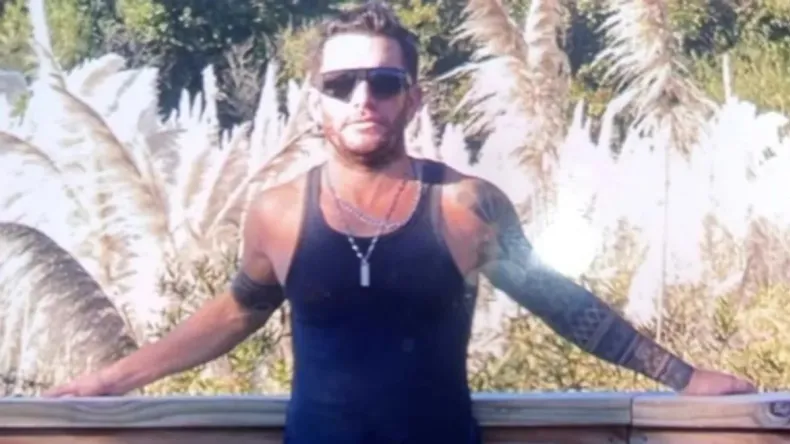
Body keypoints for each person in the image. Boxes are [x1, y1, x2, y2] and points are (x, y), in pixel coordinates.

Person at [45, 1, 757, 443]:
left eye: (383, 82)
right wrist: (111, 380)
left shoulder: (465, 205)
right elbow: (236, 313)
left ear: (411, 99)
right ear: (317, 103)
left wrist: (683, 376)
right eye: (340, 84)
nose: (363, 98)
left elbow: (561, 302)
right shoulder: (277, 212)